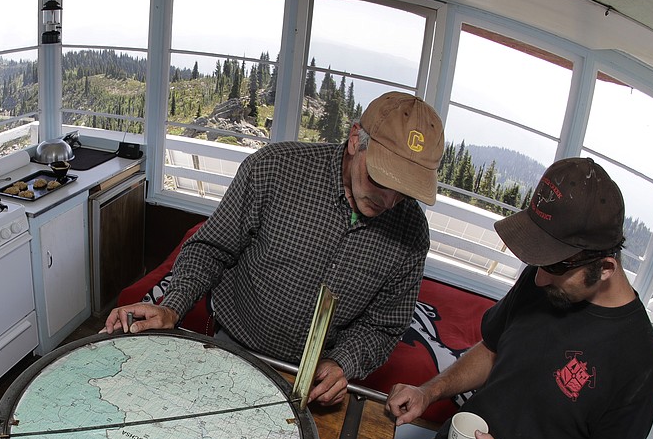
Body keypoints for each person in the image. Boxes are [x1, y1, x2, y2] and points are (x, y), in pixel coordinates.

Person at [365, 157, 653, 439]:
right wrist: (430, 391)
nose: (538, 277)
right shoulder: (542, 277)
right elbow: (491, 348)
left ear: (603, 267)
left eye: (553, 268)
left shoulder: (637, 364)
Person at [102, 91, 445, 405]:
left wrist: (344, 362)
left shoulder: (412, 234)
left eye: (405, 192)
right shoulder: (274, 168)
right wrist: (173, 306)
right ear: (356, 139)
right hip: (234, 346)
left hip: (312, 380)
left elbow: (383, 326)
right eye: (381, 178)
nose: (389, 200)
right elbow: (210, 248)